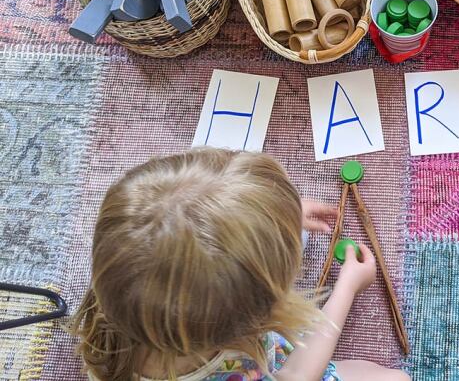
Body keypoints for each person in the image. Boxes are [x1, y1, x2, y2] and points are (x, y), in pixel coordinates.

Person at [71, 147, 410, 381]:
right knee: (397, 377)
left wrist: (272, 217)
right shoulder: (240, 367)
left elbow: (194, 233)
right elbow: (298, 374)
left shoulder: (123, 289)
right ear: (255, 319)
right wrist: (347, 288)